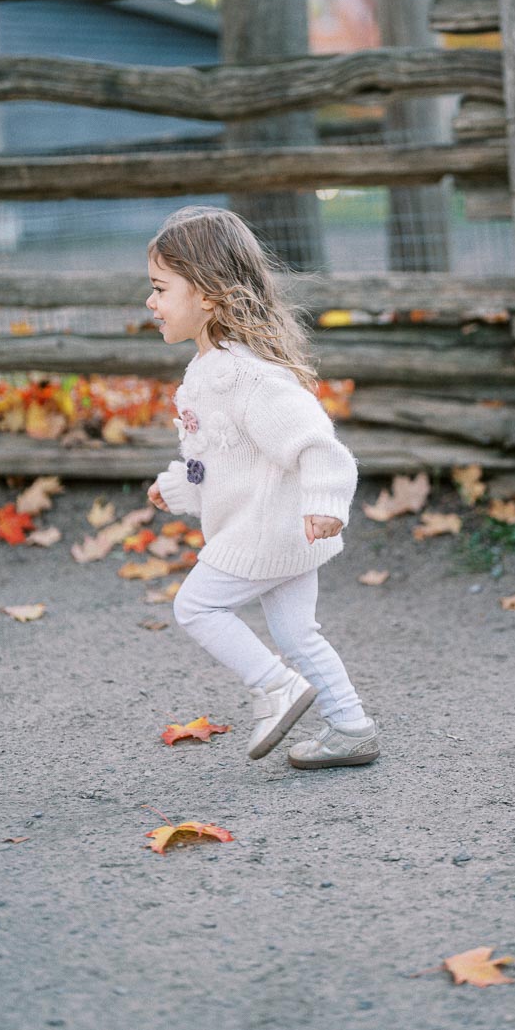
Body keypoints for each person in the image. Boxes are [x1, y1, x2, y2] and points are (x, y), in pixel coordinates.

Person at [144, 204, 379, 770]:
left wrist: (326, 503)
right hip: (283, 530)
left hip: (269, 530)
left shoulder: (249, 377)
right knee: (298, 632)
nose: (150, 303)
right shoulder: (210, 370)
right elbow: (224, 459)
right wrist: (180, 486)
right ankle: (351, 727)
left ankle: (275, 687)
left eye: (159, 288)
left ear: (206, 295)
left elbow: (318, 446)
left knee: (196, 607)